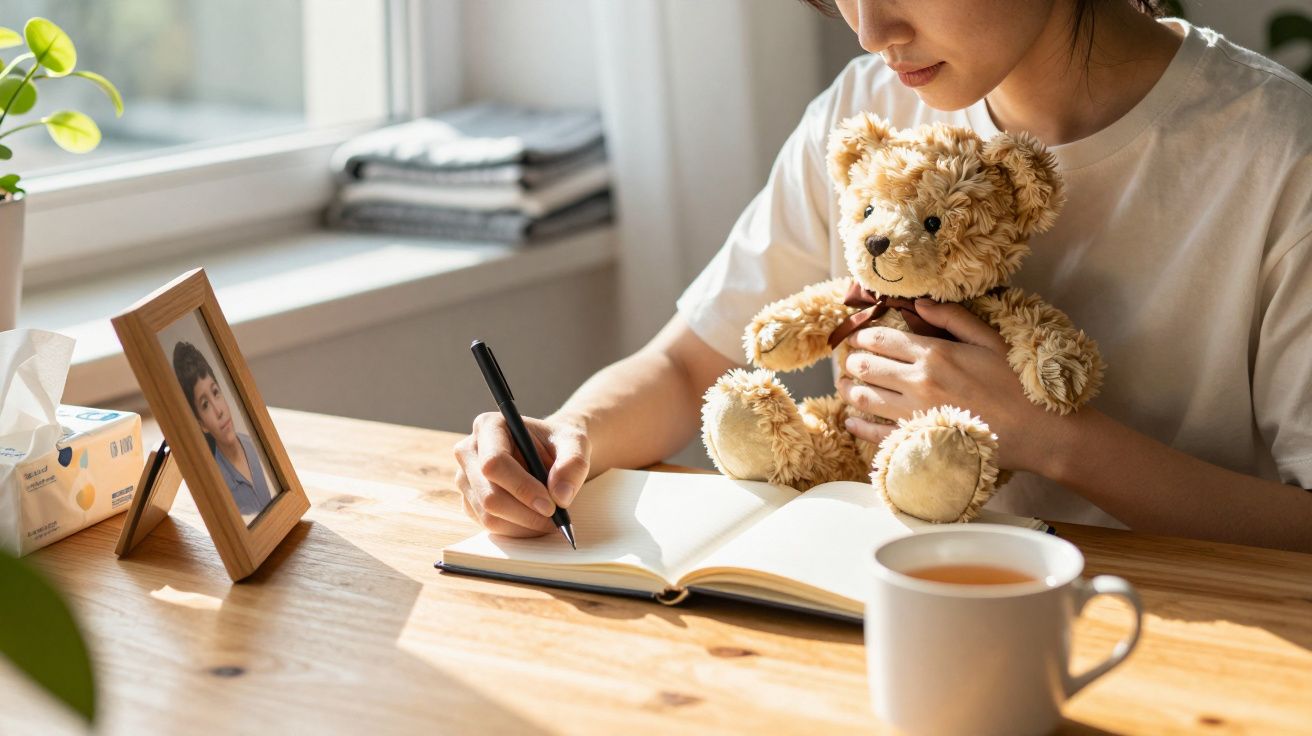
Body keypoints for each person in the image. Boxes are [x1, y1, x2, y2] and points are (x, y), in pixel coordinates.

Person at [455, 0, 1312, 552]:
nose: (869, 28)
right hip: (885, 616)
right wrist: (567, 435)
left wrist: (1048, 435)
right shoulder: (862, 112)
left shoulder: (1279, 154)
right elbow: (686, 367)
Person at [172, 341, 273, 516]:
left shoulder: (256, 447)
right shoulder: (217, 486)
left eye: (216, 392)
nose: (218, 410)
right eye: (205, 405)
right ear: (202, 424)